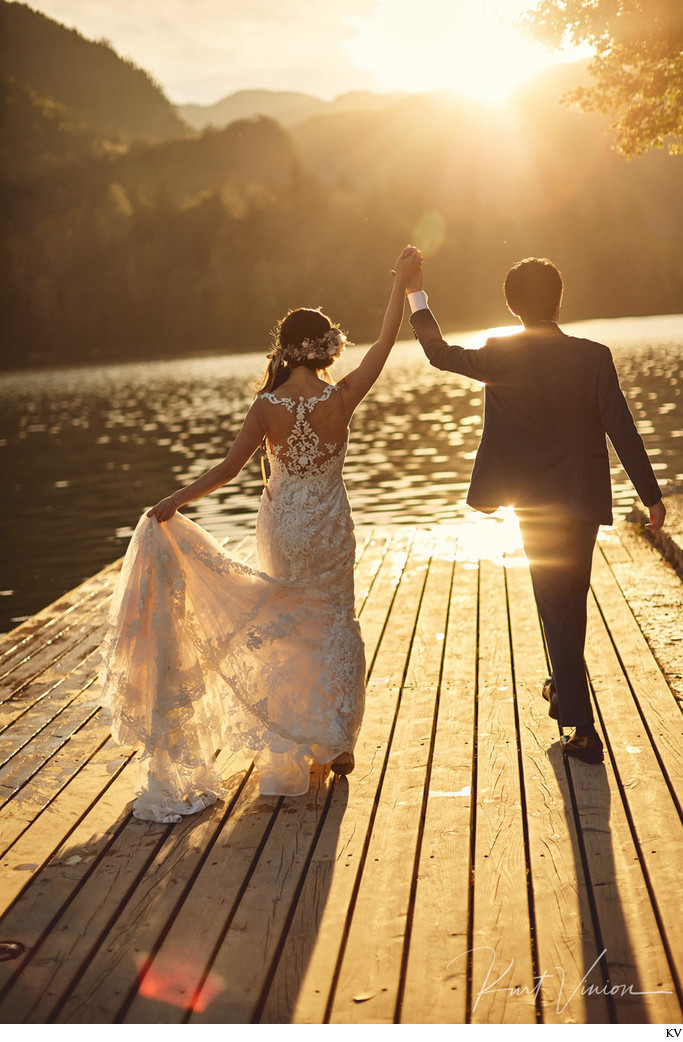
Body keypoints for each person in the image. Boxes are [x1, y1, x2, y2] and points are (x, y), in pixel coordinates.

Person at [99, 245, 423, 821]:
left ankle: (291, 745)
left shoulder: (267, 406)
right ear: (325, 349)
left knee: (283, 627)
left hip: (282, 526)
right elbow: (385, 342)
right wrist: (400, 284)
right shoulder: (340, 396)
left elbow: (226, 472)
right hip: (327, 524)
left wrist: (171, 502)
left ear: (284, 350)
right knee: (332, 619)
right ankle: (336, 743)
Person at [407, 257, 666, 764]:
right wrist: (650, 495)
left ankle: (583, 729)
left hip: (534, 502)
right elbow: (622, 428)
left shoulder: (500, 353)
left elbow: (438, 353)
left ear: (511, 305)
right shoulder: (594, 356)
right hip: (584, 497)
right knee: (569, 598)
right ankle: (561, 687)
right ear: (559, 300)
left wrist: (418, 297)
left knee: (555, 602)